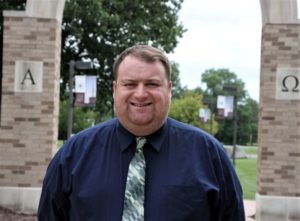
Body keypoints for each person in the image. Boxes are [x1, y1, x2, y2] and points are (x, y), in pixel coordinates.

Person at [38, 45, 245, 221]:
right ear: (114, 89)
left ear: (169, 90)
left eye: (152, 84)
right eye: (130, 84)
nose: (140, 93)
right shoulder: (72, 156)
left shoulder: (209, 155)